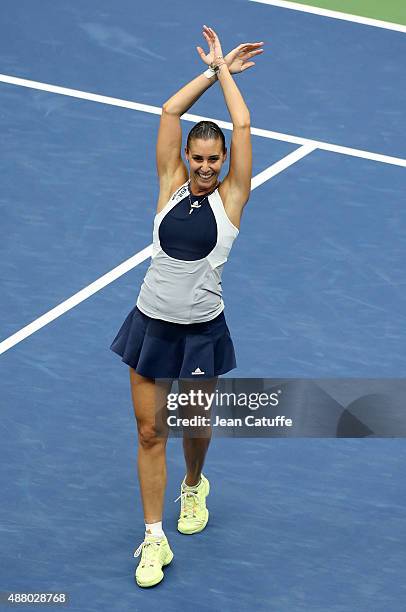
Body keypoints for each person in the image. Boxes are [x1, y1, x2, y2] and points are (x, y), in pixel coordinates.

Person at [110, 25, 264, 588]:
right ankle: (154, 538)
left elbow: (242, 123)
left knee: (194, 422)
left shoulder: (232, 198)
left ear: (223, 160)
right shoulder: (170, 182)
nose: (203, 166)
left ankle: (194, 483)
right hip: (149, 326)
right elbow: (169, 112)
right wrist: (208, 68)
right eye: (197, 157)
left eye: (211, 158)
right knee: (151, 433)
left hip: (200, 333)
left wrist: (228, 74)